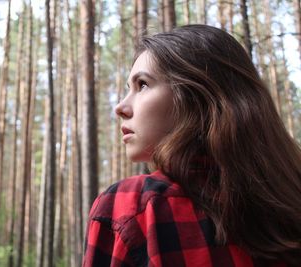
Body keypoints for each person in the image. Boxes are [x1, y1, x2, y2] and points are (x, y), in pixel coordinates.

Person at [82, 25, 301, 267]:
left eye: (142, 84)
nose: (120, 107)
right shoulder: (288, 205)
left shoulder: (135, 207)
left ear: (197, 98)